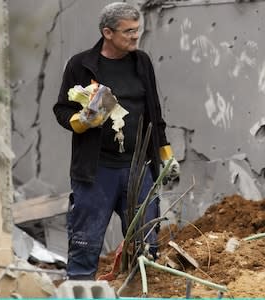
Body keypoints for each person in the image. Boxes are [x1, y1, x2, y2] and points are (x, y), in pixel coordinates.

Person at [52, 2, 180, 280]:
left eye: (137, 30)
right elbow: (62, 110)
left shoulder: (141, 62)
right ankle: (81, 289)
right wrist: (82, 121)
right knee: (85, 238)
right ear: (108, 33)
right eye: (129, 32)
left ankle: (139, 289)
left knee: (145, 240)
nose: (135, 36)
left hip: (139, 167)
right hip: (97, 170)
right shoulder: (81, 65)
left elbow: (154, 112)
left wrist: (166, 153)